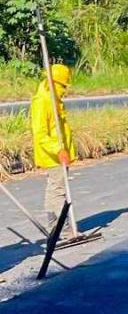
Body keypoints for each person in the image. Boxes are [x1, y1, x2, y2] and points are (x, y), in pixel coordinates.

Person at [30, 64, 76, 231]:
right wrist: (57, 149)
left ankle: (56, 226)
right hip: (53, 153)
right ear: (53, 83)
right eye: (63, 86)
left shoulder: (53, 99)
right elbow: (40, 133)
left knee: (56, 187)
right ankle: (61, 229)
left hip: (59, 151)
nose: (65, 90)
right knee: (58, 189)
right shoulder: (42, 101)